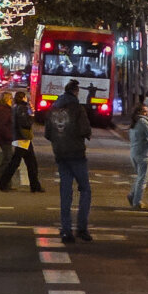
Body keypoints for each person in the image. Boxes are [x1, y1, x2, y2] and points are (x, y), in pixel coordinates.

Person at [44, 78, 92, 243]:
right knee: (85, 189)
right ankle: (82, 228)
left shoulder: (54, 108)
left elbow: (48, 133)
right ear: (75, 92)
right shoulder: (78, 109)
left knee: (65, 192)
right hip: (77, 154)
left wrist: (59, 141)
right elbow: (85, 129)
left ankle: (66, 230)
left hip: (60, 154)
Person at [0, 90, 43, 192]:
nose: (27, 99)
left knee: (30, 163)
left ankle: (35, 186)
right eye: (25, 97)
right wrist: (32, 116)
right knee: (17, 163)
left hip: (21, 138)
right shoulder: (22, 108)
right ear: (23, 98)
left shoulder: (16, 107)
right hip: (23, 138)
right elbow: (25, 123)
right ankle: (1, 183)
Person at [128, 101, 148, 209]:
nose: (146, 113)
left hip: (134, 151)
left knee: (139, 176)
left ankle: (132, 195)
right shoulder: (143, 121)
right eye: (144, 111)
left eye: (147, 111)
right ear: (139, 112)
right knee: (143, 178)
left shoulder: (134, 122)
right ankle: (137, 202)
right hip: (143, 153)